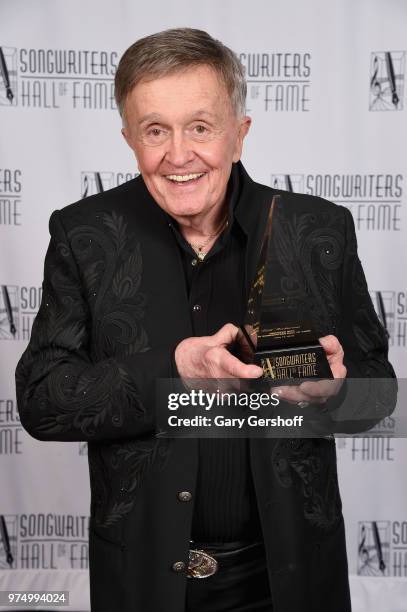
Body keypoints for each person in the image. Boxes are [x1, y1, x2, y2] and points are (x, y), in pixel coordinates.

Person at [15, 28, 396, 612]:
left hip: (291, 581)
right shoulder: (84, 236)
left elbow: (379, 394)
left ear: (238, 135)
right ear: (129, 140)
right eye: (155, 130)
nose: (178, 154)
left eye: (200, 126)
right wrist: (171, 371)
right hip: (146, 584)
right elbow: (42, 401)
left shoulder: (318, 231)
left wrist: (336, 394)